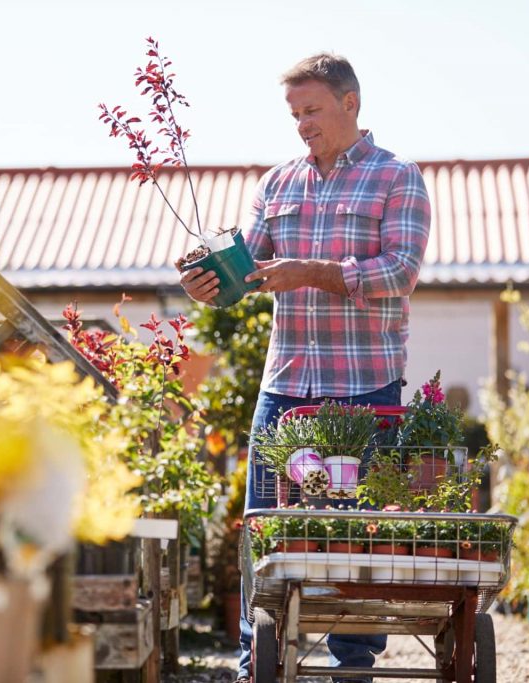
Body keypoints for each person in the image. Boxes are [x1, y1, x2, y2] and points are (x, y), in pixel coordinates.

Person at [180, 53, 431, 683]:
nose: (302, 125)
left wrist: (314, 273)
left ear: (351, 103)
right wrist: (210, 279)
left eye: (312, 110)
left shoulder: (397, 177)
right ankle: (255, 663)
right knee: (265, 528)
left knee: (357, 531)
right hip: (285, 382)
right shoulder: (278, 183)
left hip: (365, 383)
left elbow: (401, 272)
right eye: (294, 114)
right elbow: (254, 266)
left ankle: (353, 666)